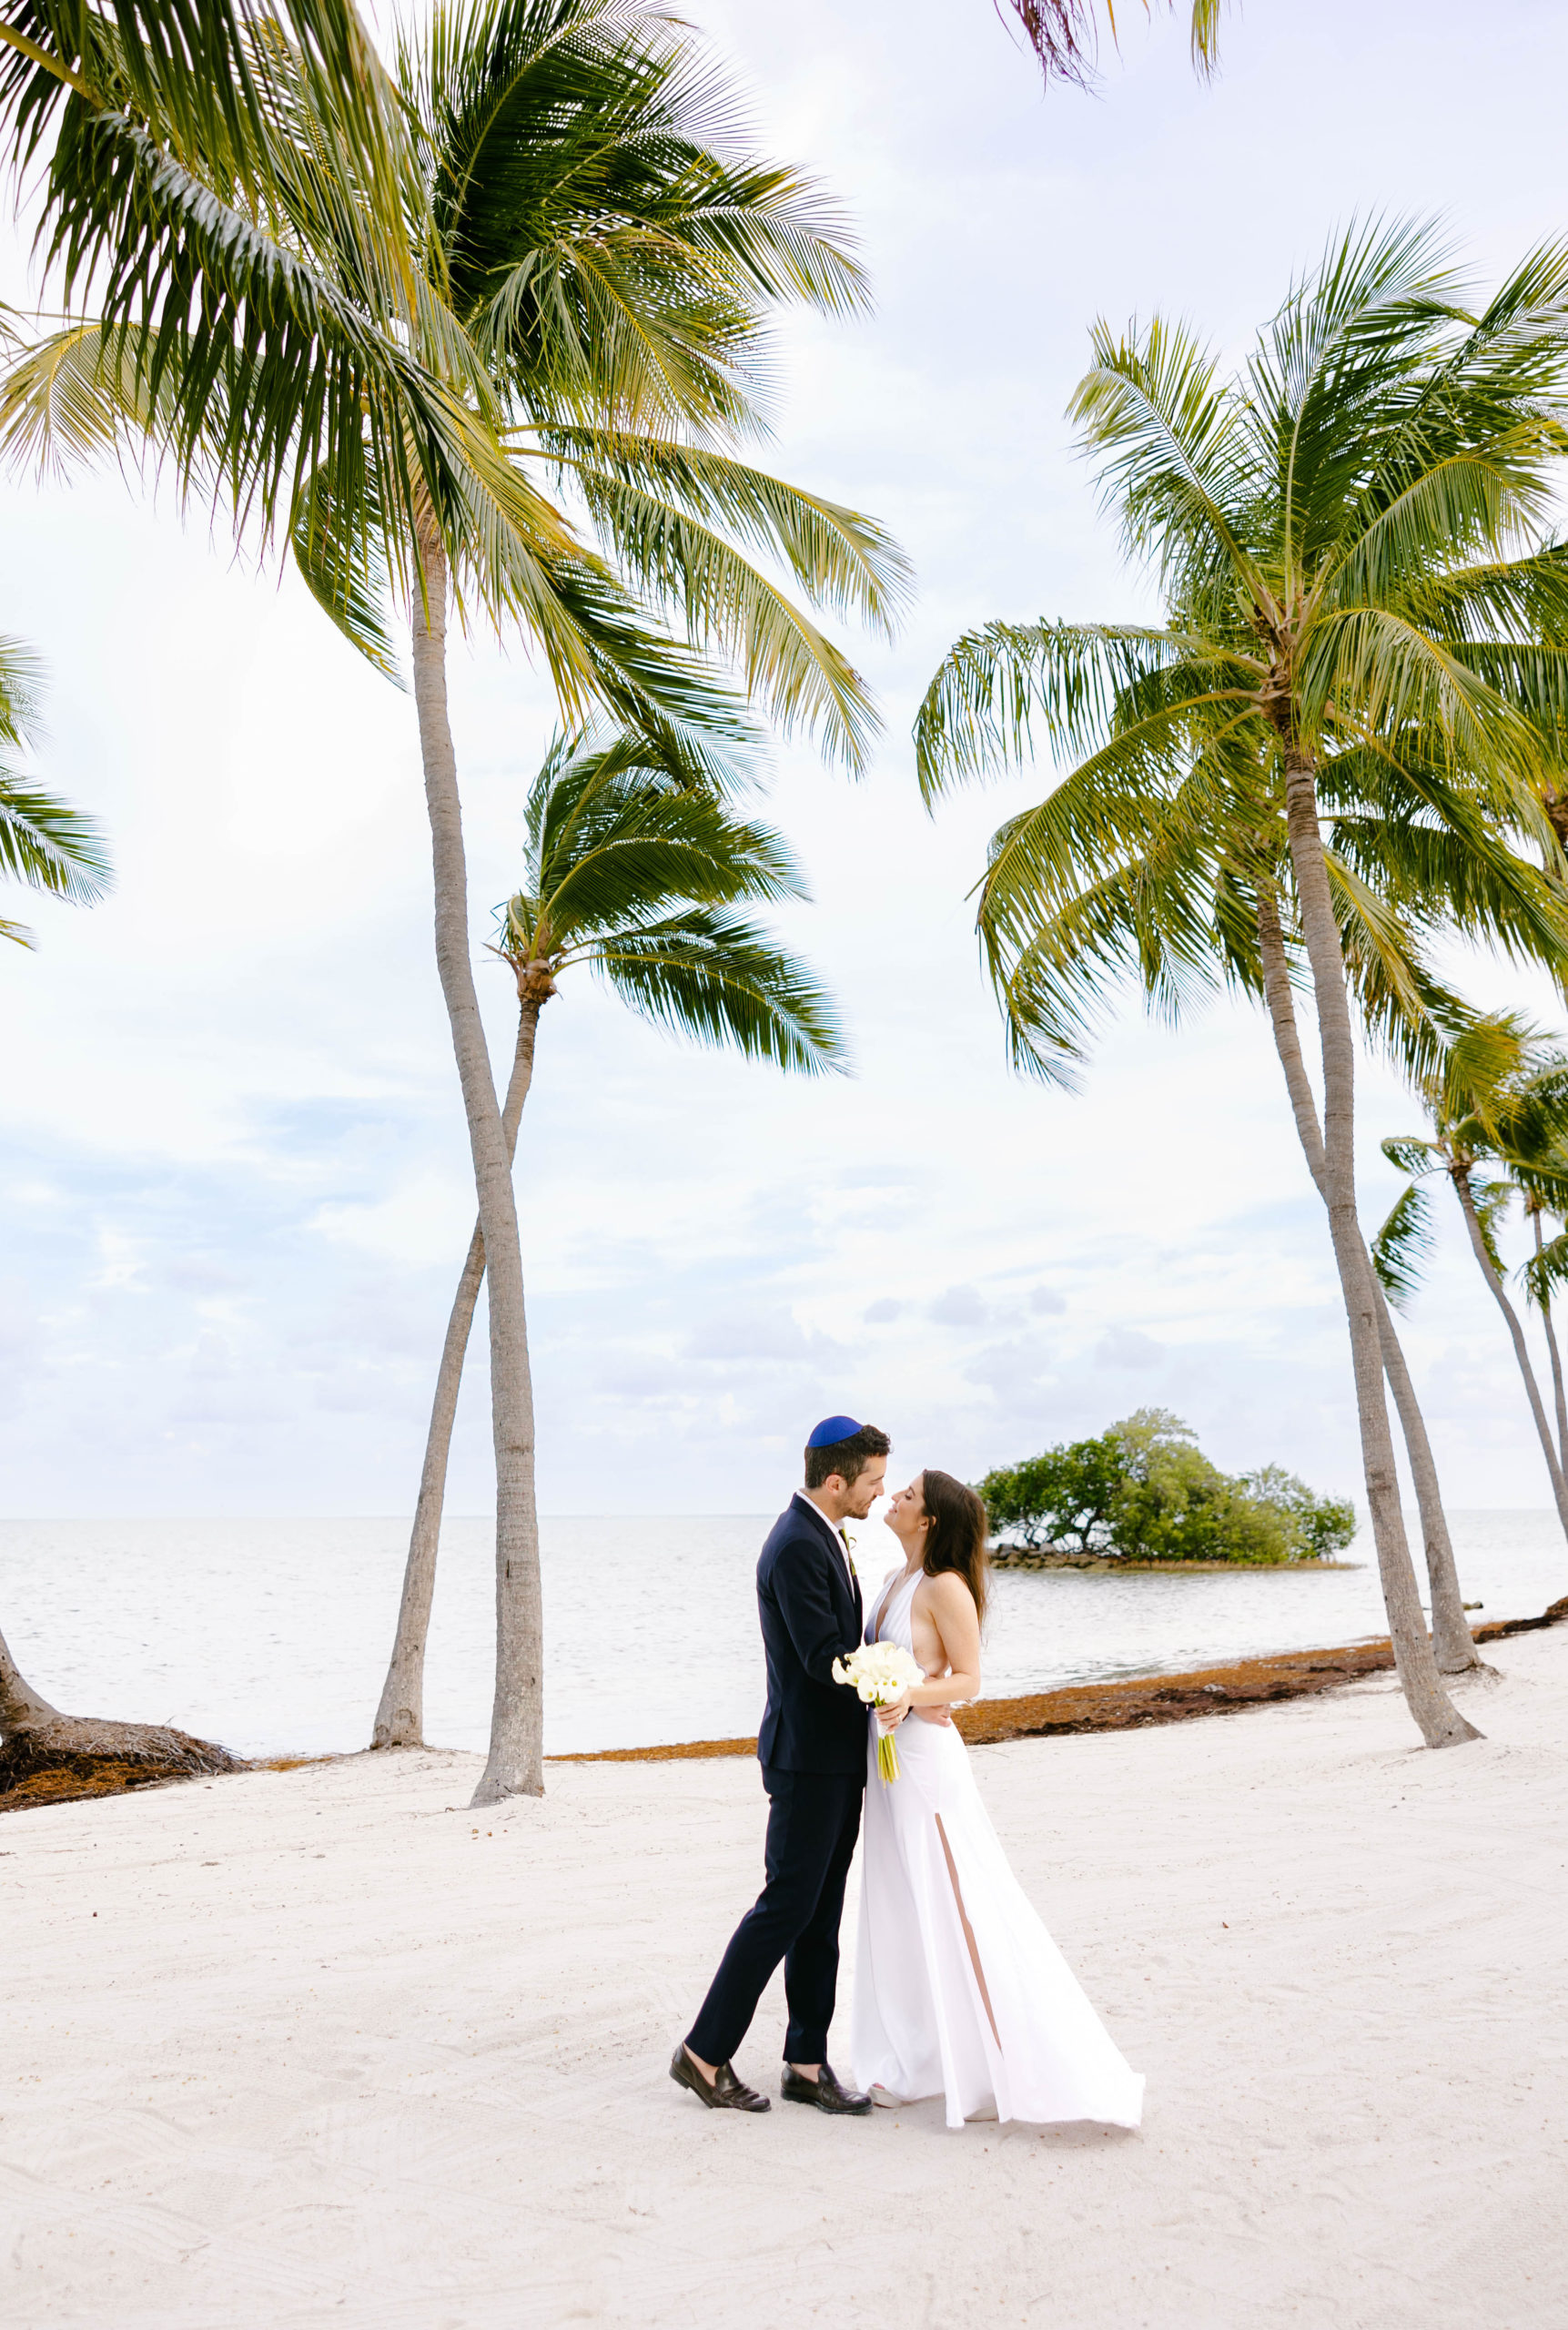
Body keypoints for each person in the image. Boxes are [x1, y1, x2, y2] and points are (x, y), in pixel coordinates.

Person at [850, 1468, 1145, 2132]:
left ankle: (996, 2067)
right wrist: (884, 1692)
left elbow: (969, 1681)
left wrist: (906, 1696)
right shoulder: (896, 1581)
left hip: (926, 1765)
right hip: (889, 1763)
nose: (893, 1497)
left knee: (959, 1904)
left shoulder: (945, 1586)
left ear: (928, 1520)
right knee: (905, 1905)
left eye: (907, 1496)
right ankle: (922, 2058)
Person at [672, 1416, 936, 2116]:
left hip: (831, 1759)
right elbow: (823, 1659)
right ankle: (702, 2052)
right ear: (836, 1480)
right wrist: (887, 1682)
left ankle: (805, 2061)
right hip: (806, 1760)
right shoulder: (794, 1545)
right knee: (785, 1907)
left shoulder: (820, 1534)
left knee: (818, 1916)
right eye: (874, 1481)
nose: (880, 1494)